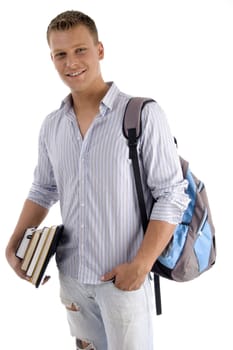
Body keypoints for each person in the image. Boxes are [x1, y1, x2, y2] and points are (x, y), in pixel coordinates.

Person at [5, 10, 190, 350]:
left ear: (99, 50)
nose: (71, 62)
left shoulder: (141, 115)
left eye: (80, 50)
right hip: (73, 279)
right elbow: (43, 189)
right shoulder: (52, 125)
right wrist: (14, 242)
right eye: (60, 54)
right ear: (52, 58)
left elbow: (172, 195)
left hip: (124, 281)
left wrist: (141, 265)